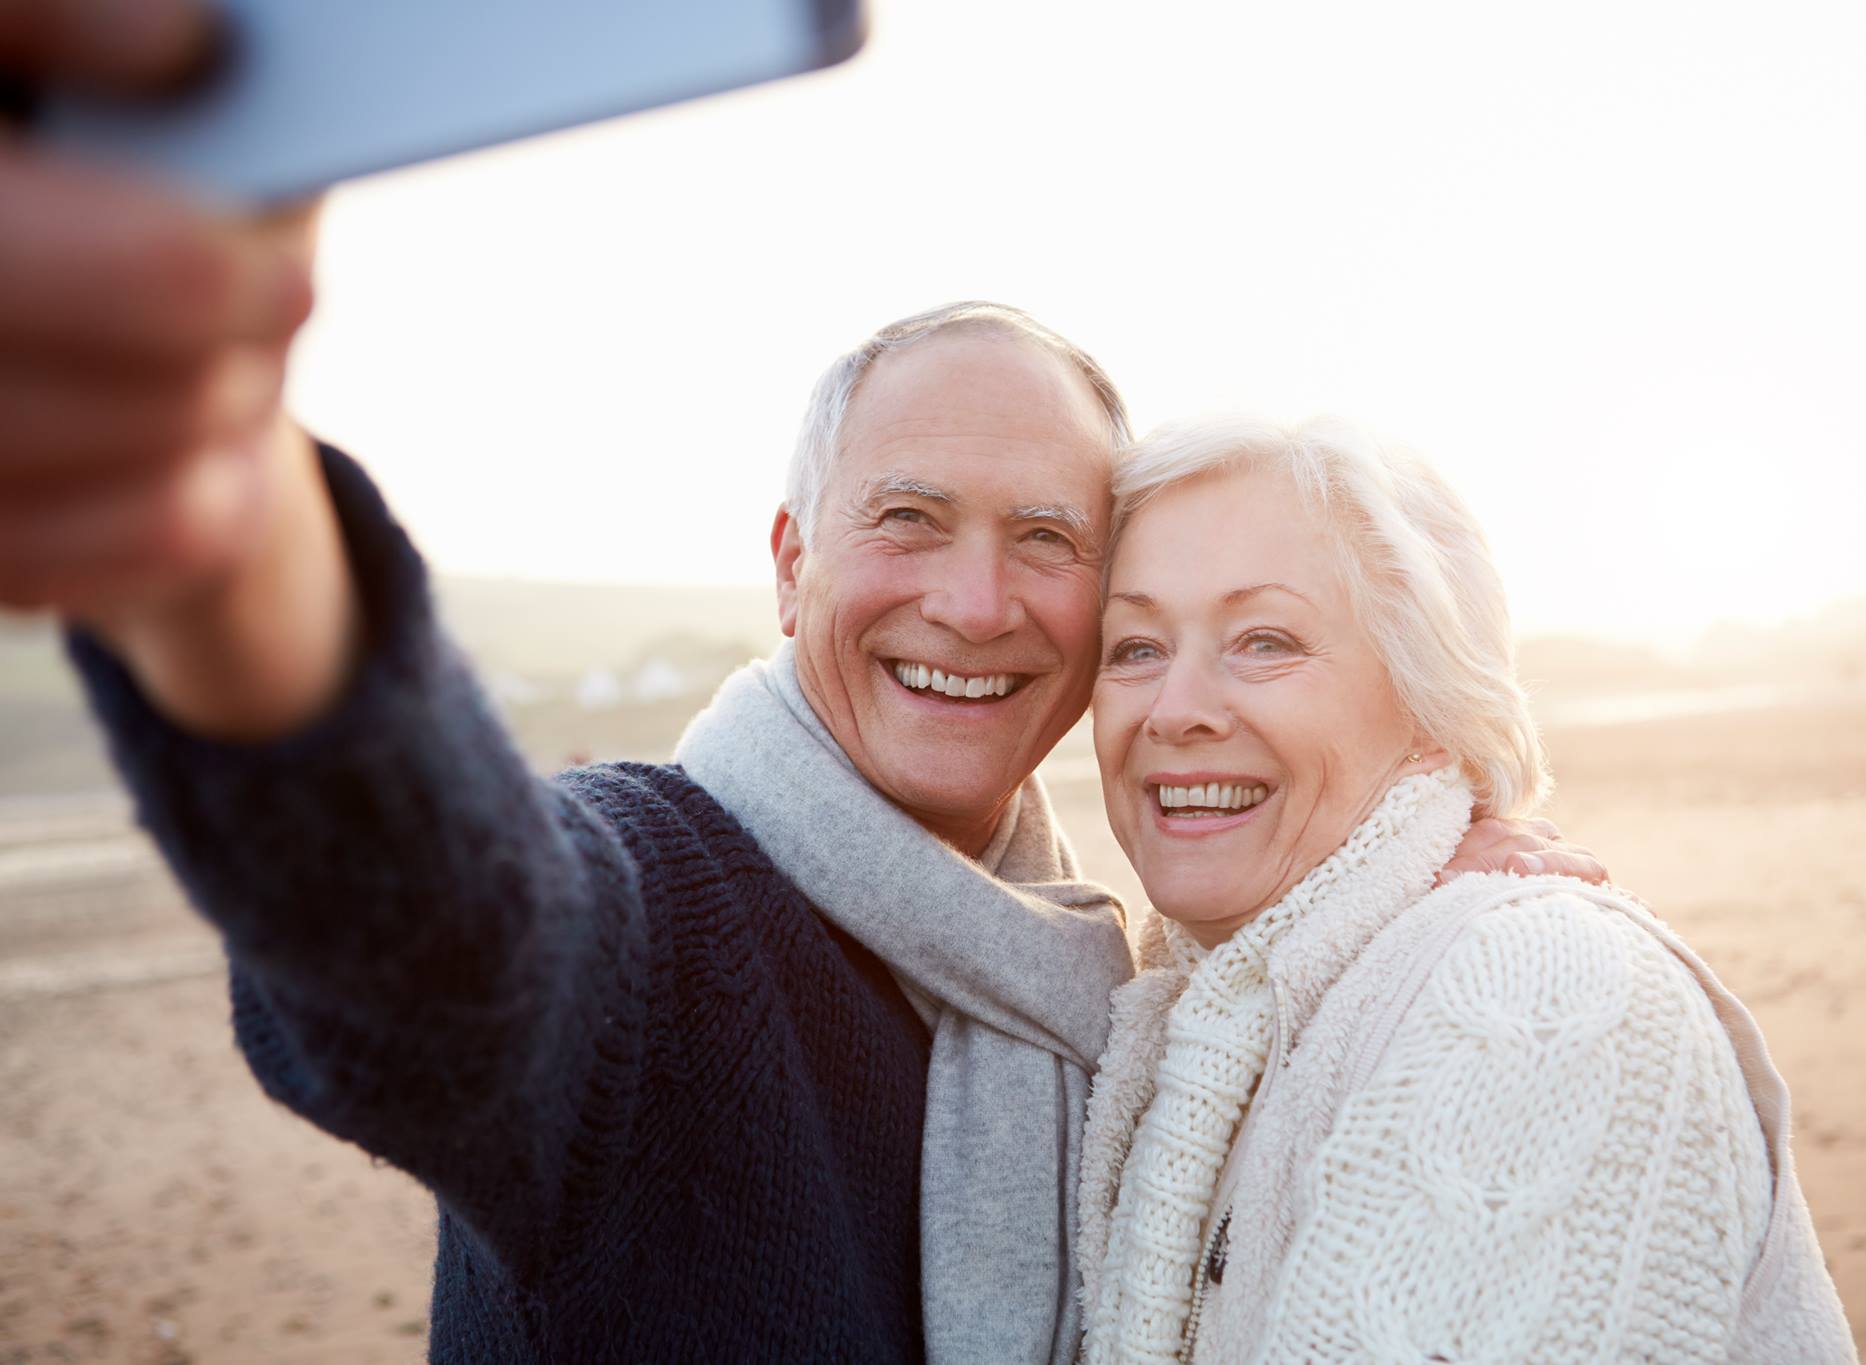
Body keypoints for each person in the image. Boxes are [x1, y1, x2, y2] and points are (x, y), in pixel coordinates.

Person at [0, 5, 1608, 1360]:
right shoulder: (651, 917)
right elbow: (425, 921)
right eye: (908, 520)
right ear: (790, 563)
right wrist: (224, 512)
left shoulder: (1090, 978)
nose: (973, 603)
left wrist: (1403, 867)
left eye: (1046, 539)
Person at [1074, 415, 1858, 1363]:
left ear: (1434, 711)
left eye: (1265, 640)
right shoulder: (1193, 1019)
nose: (1177, 710)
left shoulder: (1533, 988)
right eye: (1135, 647)